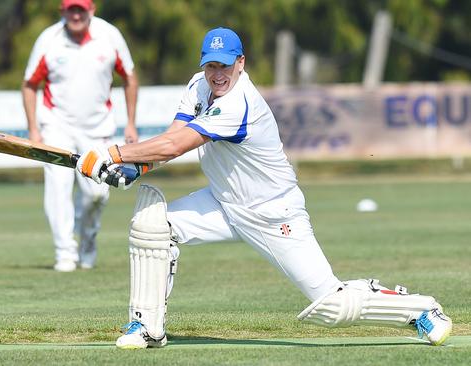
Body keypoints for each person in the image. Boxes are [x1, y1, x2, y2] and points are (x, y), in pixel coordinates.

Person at [75, 27, 453, 348]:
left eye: (225, 65)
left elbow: (177, 146)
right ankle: (147, 327)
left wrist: (112, 153)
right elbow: (175, 134)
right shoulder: (198, 85)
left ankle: (419, 308)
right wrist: (137, 165)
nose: (217, 74)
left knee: (331, 306)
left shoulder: (239, 104)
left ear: (241, 63)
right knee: (153, 226)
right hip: (224, 204)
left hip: (273, 213)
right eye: (211, 65)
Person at [21, 0, 138, 272]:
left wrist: (131, 123)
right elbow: (30, 84)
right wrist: (34, 129)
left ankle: (87, 241)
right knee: (58, 186)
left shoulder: (109, 36)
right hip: (56, 125)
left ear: (91, 10)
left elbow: (129, 78)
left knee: (97, 194)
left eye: (81, 10)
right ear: (62, 12)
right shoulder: (49, 40)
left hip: (98, 129)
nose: (76, 15)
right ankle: (64, 252)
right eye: (71, 10)